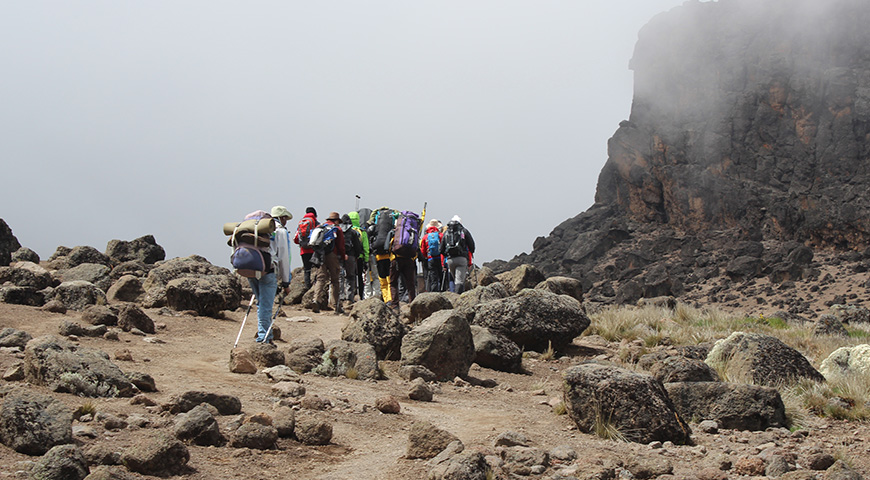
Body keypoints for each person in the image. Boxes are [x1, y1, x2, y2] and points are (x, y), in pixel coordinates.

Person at [250, 206, 292, 344]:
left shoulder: (257, 228)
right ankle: (264, 338)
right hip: (268, 270)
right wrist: (286, 282)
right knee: (266, 306)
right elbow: (284, 257)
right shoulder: (279, 231)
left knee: (260, 304)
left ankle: (264, 334)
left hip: (251, 268)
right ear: (282, 218)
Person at [311, 211, 347, 314]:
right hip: (332, 255)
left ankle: (316, 300)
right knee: (335, 280)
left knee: (320, 278)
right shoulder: (337, 229)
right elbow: (341, 246)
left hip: (320, 254)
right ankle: (336, 305)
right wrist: (343, 256)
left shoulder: (320, 227)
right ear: (336, 220)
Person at [388, 211, 421, 308]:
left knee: (393, 282)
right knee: (410, 283)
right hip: (409, 260)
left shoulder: (395, 233)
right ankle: (413, 304)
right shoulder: (413, 232)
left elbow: (387, 246)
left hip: (396, 259)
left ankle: (395, 305)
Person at [367, 207, 397, 302]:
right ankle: (391, 298)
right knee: (390, 279)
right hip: (389, 254)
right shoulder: (392, 226)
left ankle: (386, 299)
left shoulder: (376, 226)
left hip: (378, 254)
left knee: (382, 279)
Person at [440, 215, 475, 294]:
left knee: (454, 278)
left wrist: (447, 254)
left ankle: (454, 294)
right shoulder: (464, 231)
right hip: (461, 259)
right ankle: (457, 298)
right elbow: (472, 245)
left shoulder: (446, 233)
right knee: (459, 280)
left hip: (450, 260)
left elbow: (441, 249)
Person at [340, 213, 363, 305]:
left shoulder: (338, 230)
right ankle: (350, 298)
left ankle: (340, 297)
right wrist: (357, 255)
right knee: (351, 277)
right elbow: (357, 246)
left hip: (340, 256)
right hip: (351, 256)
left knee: (340, 277)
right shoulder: (353, 232)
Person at [347, 211, 369, 301]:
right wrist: (366, 260)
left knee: (349, 277)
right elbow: (366, 247)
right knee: (360, 277)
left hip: (348, 257)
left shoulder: (347, 231)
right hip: (360, 258)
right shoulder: (362, 231)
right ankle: (361, 296)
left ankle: (350, 296)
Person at [294, 207, 317, 289]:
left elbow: (296, 238)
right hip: (313, 250)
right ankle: (314, 286)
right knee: (316, 269)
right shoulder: (315, 222)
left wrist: (302, 244)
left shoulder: (301, 223)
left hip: (303, 250)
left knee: (307, 269)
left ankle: (307, 286)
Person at [420, 219, 443, 292]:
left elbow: (423, 251)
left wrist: (425, 257)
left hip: (430, 259)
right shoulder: (440, 235)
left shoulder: (425, 237)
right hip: (440, 258)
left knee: (433, 277)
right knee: (441, 276)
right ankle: (443, 291)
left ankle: (433, 292)